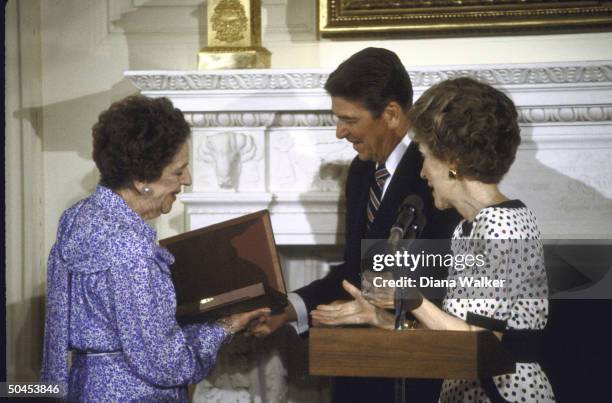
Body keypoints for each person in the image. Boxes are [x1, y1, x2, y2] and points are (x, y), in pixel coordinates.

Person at [312, 77, 556, 402]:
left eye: (425, 155)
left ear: (453, 164)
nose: (423, 172)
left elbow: (479, 346)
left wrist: (412, 299)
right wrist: (383, 320)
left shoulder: (501, 226)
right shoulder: (470, 227)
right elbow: (453, 334)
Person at [250, 47, 460, 402]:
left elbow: (448, 278)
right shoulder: (362, 173)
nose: (339, 132)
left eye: (349, 120)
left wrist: (386, 310)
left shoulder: (437, 172)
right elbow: (355, 270)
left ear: (391, 113)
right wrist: (288, 309)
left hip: (419, 372)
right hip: (361, 364)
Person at [39, 95, 270, 401]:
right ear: (141, 180)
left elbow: (56, 333)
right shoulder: (132, 250)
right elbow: (167, 364)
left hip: (83, 388)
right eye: (178, 171)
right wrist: (226, 326)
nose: (186, 179)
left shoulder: (77, 217)